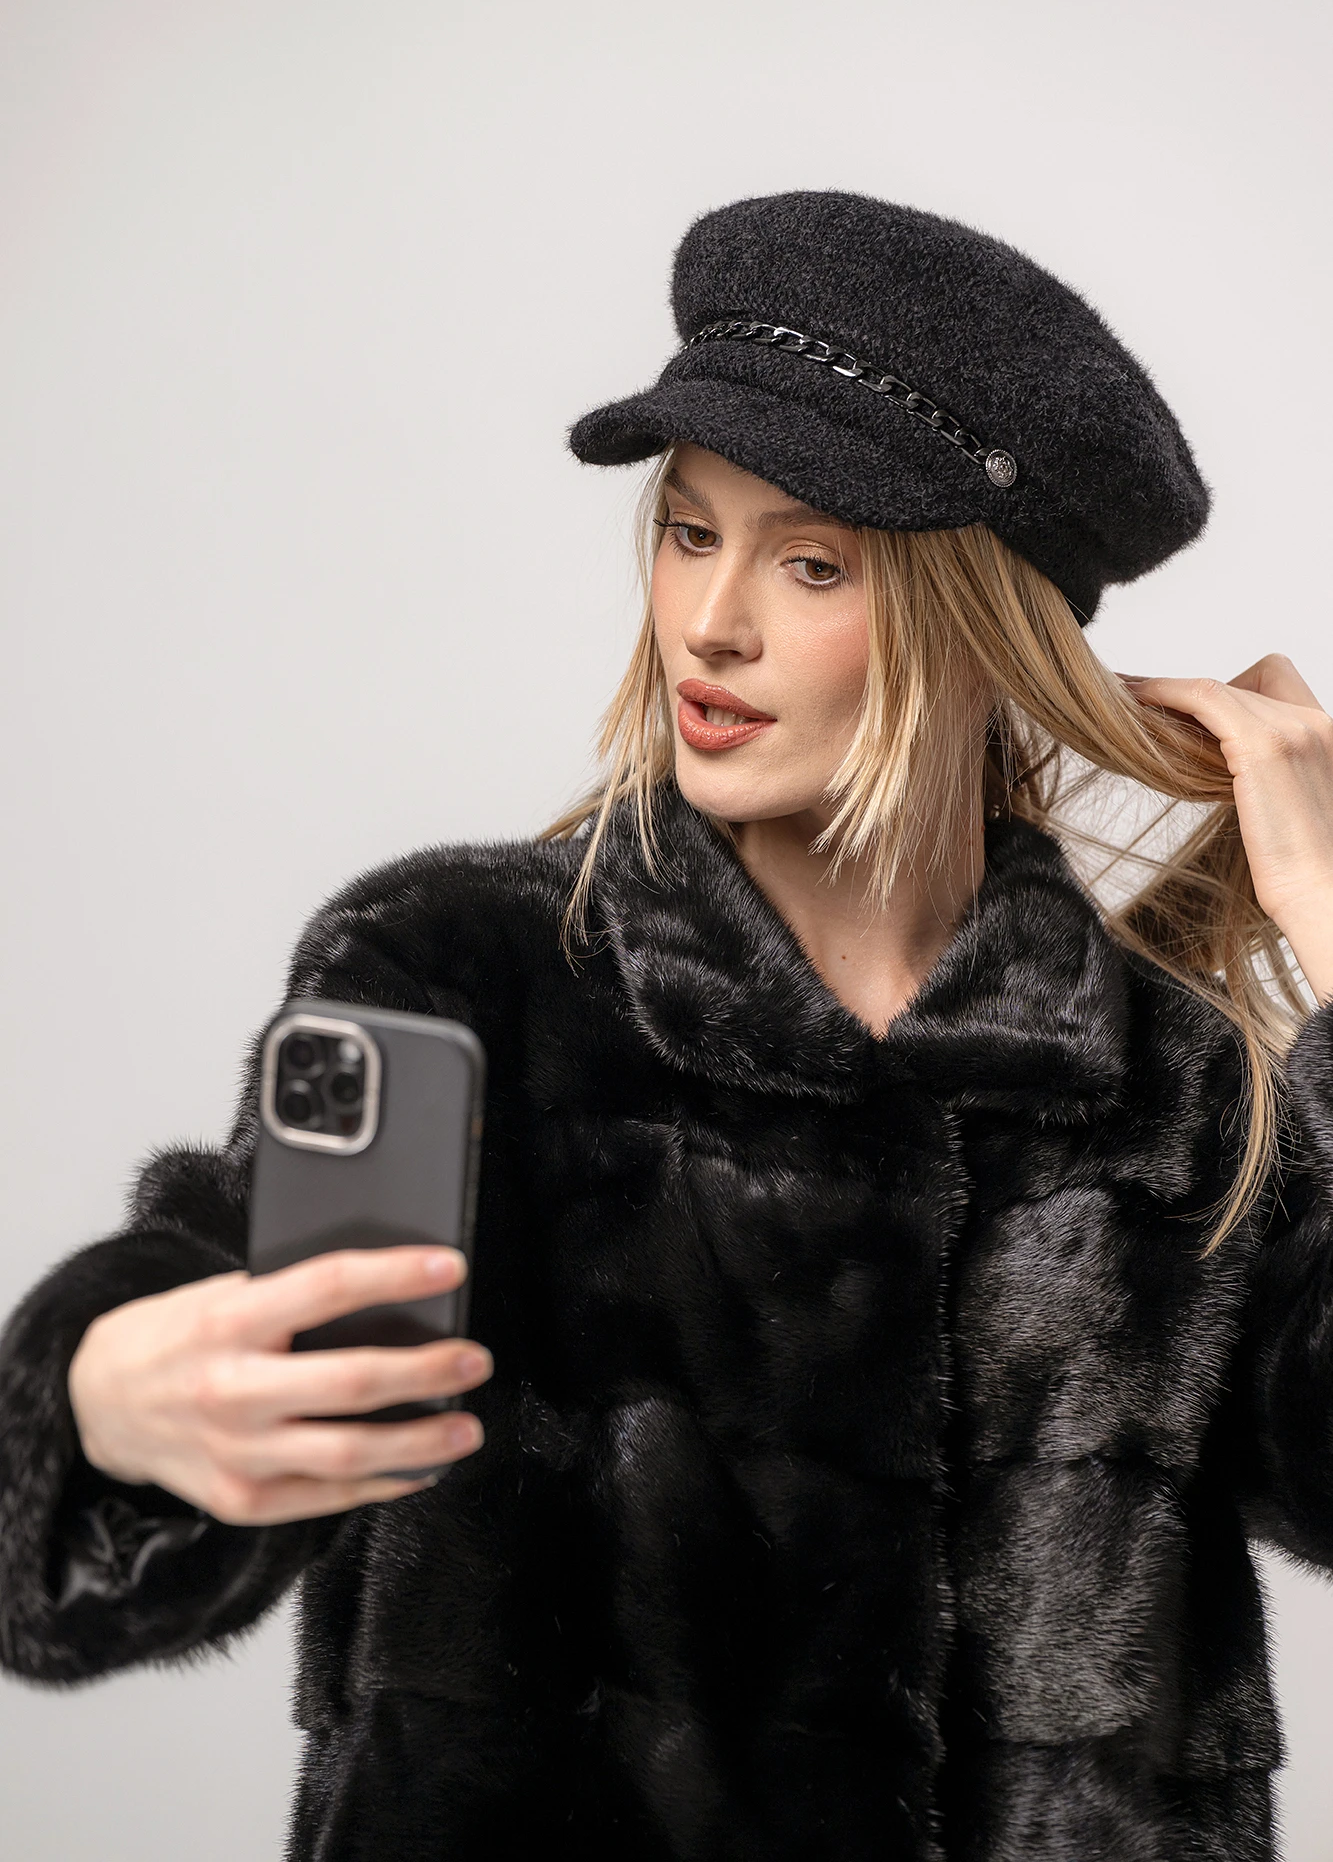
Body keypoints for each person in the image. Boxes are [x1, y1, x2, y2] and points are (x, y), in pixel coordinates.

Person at [3, 190, 1333, 1862]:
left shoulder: (1167, 1085)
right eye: (689, 531)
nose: (711, 621)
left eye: (811, 562)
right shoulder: (465, 974)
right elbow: (227, 1291)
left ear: (987, 633)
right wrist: (103, 1403)